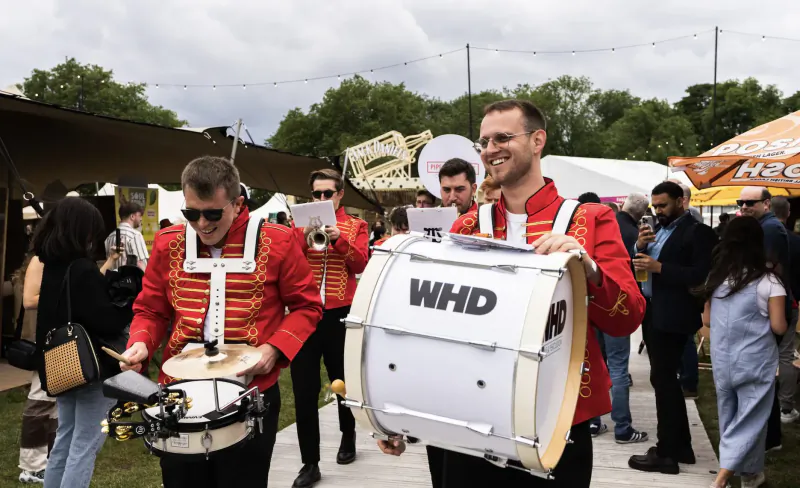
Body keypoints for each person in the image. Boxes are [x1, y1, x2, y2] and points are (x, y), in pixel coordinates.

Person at [379, 99, 646, 487]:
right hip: (471, 416)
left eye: (503, 137)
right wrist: (401, 413)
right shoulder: (466, 226)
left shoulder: (590, 219)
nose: (491, 149)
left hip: (556, 420)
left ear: (537, 141)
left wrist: (587, 268)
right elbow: (437, 330)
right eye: (484, 141)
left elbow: (627, 318)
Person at [120, 156, 323, 488]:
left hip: (251, 392)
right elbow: (151, 310)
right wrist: (140, 343)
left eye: (213, 214)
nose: (202, 224)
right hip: (179, 392)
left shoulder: (278, 240)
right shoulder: (168, 242)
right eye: (192, 214)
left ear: (238, 203)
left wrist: (274, 348)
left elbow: (307, 306)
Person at [33, 197, 130, 488]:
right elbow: (107, 321)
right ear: (83, 231)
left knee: (65, 439)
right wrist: (127, 303)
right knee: (84, 445)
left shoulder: (52, 267)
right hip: (91, 367)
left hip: (62, 366)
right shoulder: (83, 269)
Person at [629, 181, 717, 475]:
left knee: (664, 381)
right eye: (655, 206)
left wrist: (660, 268)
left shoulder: (698, 232)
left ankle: (666, 453)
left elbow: (701, 275)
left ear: (681, 201)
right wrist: (640, 247)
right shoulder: (658, 230)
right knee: (665, 380)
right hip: (653, 311)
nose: (658, 211)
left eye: (663, 205)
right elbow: (639, 262)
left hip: (674, 315)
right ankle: (682, 447)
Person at [291, 168, 369, 488]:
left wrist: (339, 239)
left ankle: (348, 435)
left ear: (339, 195)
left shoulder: (356, 225)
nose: (321, 198)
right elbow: (288, 259)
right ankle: (310, 462)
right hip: (304, 314)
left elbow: (361, 263)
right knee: (304, 389)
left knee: (342, 381)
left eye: (327, 193)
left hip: (340, 313)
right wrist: (302, 234)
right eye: (316, 194)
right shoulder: (299, 224)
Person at [697, 216, 787, 488]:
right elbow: (779, 326)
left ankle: (751, 475)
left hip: (723, 360)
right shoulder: (770, 282)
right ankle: (723, 477)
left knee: (730, 419)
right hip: (755, 362)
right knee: (751, 421)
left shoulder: (717, 278)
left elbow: (707, 321)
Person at [738, 186, 792, 451]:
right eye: (741, 202)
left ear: (767, 204)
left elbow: (764, 267)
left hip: (771, 306)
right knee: (763, 374)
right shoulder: (764, 226)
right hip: (768, 304)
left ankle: (770, 438)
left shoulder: (769, 229)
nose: (744, 206)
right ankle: (769, 436)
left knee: (763, 375)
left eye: (750, 202)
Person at [14, 253, 57, 484]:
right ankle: (31, 467)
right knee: (40, 400)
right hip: (46, 339)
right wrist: (66, 293)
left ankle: (46, 460)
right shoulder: (40, 259)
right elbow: (29, 301)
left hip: (59, 338)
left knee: (55, 404)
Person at [771, 196, 800, 423]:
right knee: (786, 353)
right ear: (788, 213)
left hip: (764, 302)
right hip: (790, 302)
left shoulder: (762, 238)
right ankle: (786, 407)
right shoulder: (796, 241)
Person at [104, 201, 149, 271]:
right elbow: (142, 264)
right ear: (132, 216)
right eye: (140, 215)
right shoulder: (135, 235)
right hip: (131, 277)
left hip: (113, 277)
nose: (141, 219)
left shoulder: (109, 238)